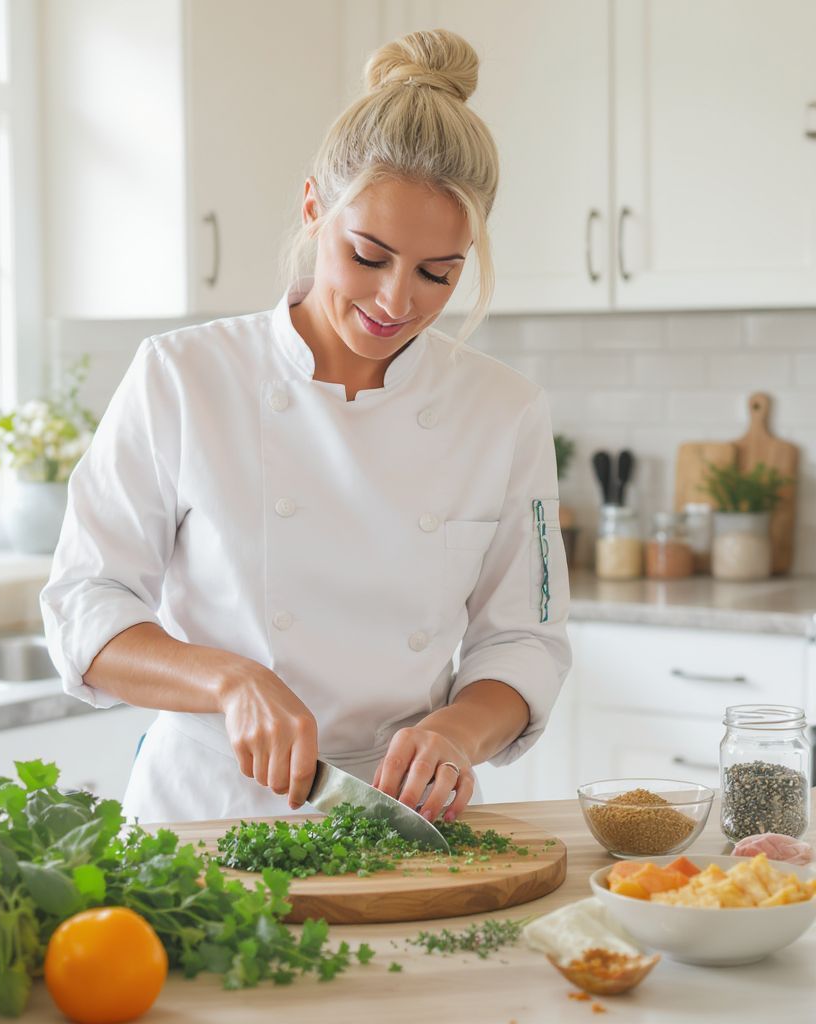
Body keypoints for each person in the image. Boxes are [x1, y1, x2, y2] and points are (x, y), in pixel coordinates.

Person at [41, 28, 571, 826]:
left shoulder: (504, 412)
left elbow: (525, 639)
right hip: (207, 809)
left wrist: (459, 732)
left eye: (438, 274)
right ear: (314, 205)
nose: (397, 301)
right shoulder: (184, 376)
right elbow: (87, 604)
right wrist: (229, 681)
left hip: (405, 816)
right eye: (369, 255)